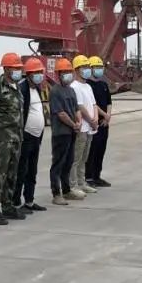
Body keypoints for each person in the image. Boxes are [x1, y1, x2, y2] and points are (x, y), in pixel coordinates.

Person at [0, 51, 25, 224]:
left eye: (19, 68)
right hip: (1, 138)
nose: (18, 71)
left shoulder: (17, 87)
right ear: (7, 68)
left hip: (16, 138)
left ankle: (7, 205)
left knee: (11, 174)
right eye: (15, 68)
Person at [13, 57, 50, 214]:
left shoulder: (38, 89)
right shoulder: (22, 89)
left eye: (40, 72)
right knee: (21, 170)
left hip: (36, 136)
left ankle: (29, 201)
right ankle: (16, 202)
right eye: (36, 72)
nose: (39, 75)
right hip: (26, 136)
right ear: (28, 74)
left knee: (32, 171)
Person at [49, 57, 82, 206]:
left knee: (68, 162)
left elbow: (76, 109)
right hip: (61, 132)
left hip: (72, 132)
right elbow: (61, 114)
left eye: (69, 71)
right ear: (58, 74)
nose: (68, 74)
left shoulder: (71, 90)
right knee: (58, 163)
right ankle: (56, 193)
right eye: (64, 72)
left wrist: (79, 121)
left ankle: (67, 190)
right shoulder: (55, 91)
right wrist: (74, 124)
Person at [69, 54, 99, 198]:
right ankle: (73, 185)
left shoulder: (88, 86)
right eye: (84, 67)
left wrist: (96, 119)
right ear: (76, 69)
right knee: (76, 158)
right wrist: (91, 121)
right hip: (82, 128)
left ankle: (82, 183)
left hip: (90, 128)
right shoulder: (74, 87)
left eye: (88, 67)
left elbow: (94, 104)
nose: (87, 69)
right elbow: (80, 106)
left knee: (84, 158)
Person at [85, 55, 113, 188]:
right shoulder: (88, 86)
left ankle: (97, 176)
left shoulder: (104, 85)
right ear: (90, 69)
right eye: (96, 67)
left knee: (101, 150)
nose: (99, 69)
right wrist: (104, 115)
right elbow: (93, 104)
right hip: (94, 123)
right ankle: (89, 177)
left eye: (101, 67)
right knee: (92, 151)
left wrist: (108, 116)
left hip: (104, 124)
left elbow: (109, 102)